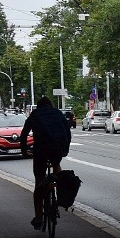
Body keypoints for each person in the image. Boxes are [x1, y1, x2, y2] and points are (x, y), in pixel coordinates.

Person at [20, 96, 72, 230]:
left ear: (38, 106)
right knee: (56, 165)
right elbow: (67, 131)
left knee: (39, 181)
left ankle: (38, 218)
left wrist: (24, 150)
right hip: (57, 147)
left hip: (41, 149)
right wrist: (65, 149)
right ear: (50, 105)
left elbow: (24, 133)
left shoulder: (35, 114)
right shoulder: (57, 112)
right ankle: (61, 193)